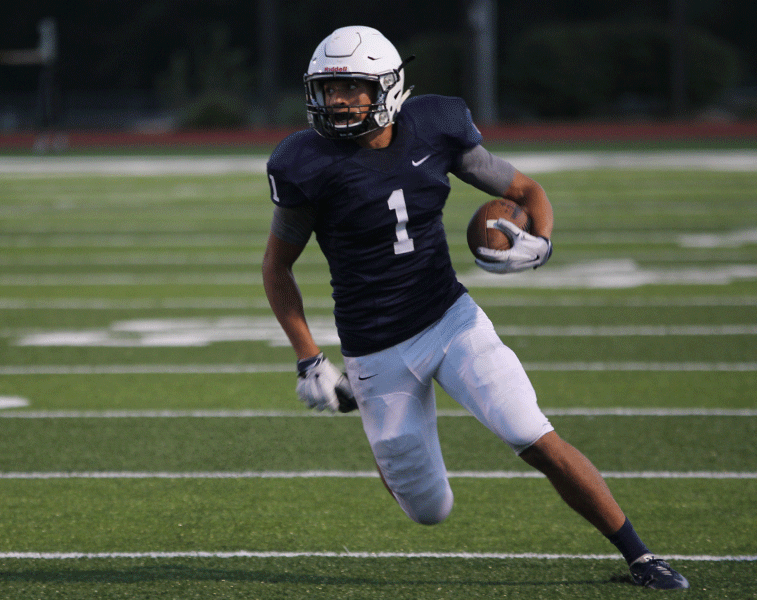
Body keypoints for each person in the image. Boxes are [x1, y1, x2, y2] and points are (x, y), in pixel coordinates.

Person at [261, 25, 689, 590]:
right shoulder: (303, 162)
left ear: (386, 89)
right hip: (374, 348)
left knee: (529, 431)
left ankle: (640, 555)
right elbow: (277, 268)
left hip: (450, 321)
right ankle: (374, 425)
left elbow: (528, 194)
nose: (337, 102)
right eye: (328, 89)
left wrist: (540, 242)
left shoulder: (435, 127)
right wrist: (309, 358)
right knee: (428, 509)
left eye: (353, 89)